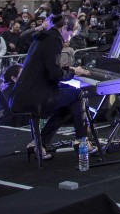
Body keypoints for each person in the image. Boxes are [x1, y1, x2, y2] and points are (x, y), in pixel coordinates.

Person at [8, 14, 92, 160]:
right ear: (64, 28)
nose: (69, 39)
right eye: (70, 34)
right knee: (78, 95)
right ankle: (82, 141)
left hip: (23, 94)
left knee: (68, 105)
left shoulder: (43, 37)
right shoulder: (54, 40)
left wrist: (68, 69)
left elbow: (46, 66)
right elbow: (55, 74)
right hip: (34, 97)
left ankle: (39, 143)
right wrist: (73, 72)